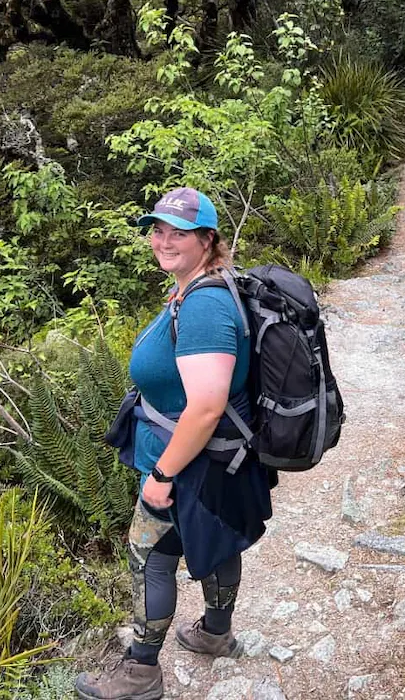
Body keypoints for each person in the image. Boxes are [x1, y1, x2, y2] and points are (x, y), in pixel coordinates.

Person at [75, 188, 274, 700]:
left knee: (149, 554)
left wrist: (162, 476)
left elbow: (205, 406)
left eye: (178, 233)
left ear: (208, 240)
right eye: (158, 230)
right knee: (219, 539)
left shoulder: (205, 306)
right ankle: (215, 632)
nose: (163, 241)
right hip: (221, 458)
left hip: (191, 460)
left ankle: (140, 673)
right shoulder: (202, 286)